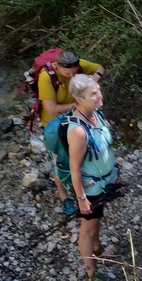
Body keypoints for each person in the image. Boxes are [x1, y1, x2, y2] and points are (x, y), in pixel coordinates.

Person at [65, 74, 120, 281]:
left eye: (99, 90)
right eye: (93, 94)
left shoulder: (96, 114)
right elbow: (74, 168)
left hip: (104, 183)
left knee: (96, 221)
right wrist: (81, 199)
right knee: (87, 229)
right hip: (90, 189)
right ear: (79, 99)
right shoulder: (78, 131)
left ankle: (97, 249)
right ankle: (91, 274)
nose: (100, 96)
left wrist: (114, 172)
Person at [37, 49, 105, 216]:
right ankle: (64, 195)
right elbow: (52, 109)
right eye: (67, 73)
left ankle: (85, 185)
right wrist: (79, 105)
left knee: (79, 154)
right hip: (53, 125)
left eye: (74, 73)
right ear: (57, 66)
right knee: (58, 160)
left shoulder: (79, 66)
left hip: (75, 119)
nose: (71, 76)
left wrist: (93, 81)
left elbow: (100, 68)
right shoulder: (46, 78)